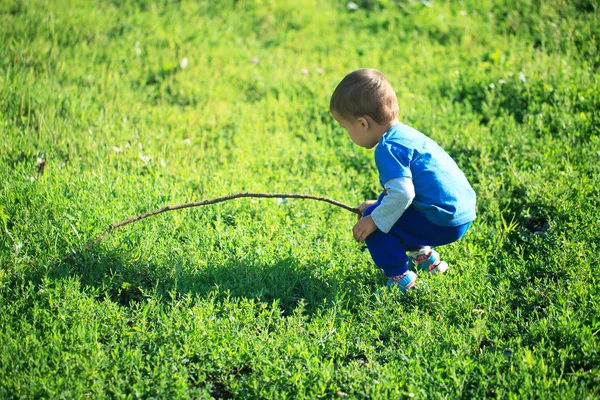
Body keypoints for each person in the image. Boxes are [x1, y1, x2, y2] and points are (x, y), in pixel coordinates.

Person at [330, 69, 477, 292]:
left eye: (345, 128)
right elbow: (407, 191)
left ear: (362, 124)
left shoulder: (386, 149)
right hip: (461, 213)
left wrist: (374, 218)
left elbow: (404, 194)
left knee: (376, 223)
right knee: (385, 213)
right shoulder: (405, 135)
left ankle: (401, 278)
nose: (347, 134)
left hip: (443, 222)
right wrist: (380, 204)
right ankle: (425, 257)